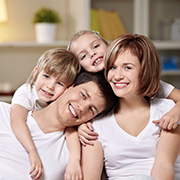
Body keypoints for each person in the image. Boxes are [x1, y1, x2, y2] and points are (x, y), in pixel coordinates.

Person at [81, 33, 180, 180]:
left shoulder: (167, 110)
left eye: (127, 68)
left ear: (145, 71)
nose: (117, 76)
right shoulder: (96, 124)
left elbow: (164, 167)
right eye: (113, 67)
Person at [68, 30, 180, 146]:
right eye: (84, 56)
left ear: (108, 45)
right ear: (81, 67)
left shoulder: (141, 78)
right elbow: (77, 109)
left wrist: (175, 112)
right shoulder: (85, 85)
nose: (92, 54)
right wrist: (81, 125)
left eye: (96, 46)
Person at [0, 71, 117, 180]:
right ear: (69, 87)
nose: (82, 107)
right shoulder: (4, 114)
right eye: (83, 95)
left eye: (91, 110)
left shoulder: (73, 154)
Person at [10, 48, 82, 180]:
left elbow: (70, 130)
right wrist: (32, 152)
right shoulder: (26, 91)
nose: (50, 86)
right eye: (46, 76)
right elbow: (17, 120)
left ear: (68, 89)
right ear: (36, 72)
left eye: (59, 83)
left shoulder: (61, 101)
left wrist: (74, 160)